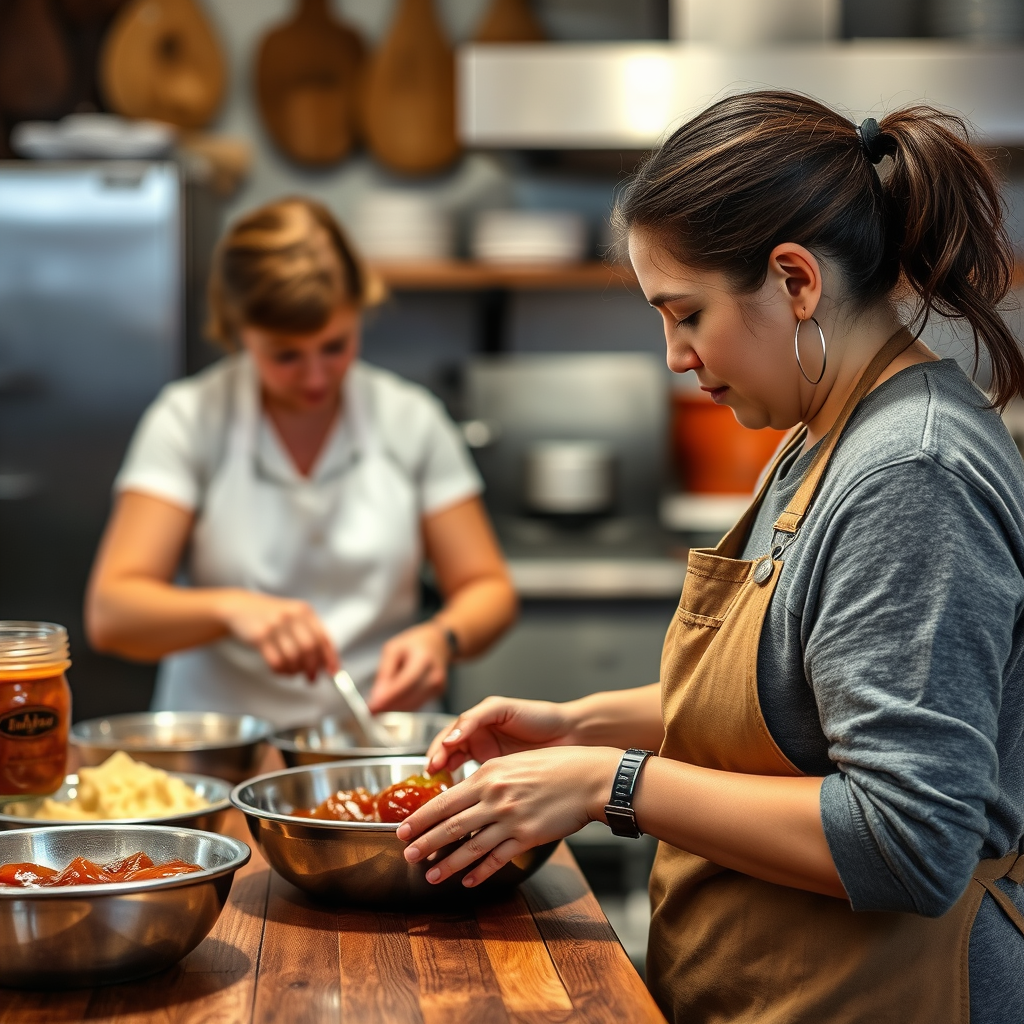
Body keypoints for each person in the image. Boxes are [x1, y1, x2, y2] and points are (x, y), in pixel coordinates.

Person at [397, 92, 1024, 1023]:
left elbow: (910, 838)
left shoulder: (910, 473)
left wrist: (610, 784)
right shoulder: (824, 434)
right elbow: (791, 708)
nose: (675, 356)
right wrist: (578, 727)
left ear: (796, 281)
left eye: (686, 313)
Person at [86, 197, 517, 726]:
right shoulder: (189, 418)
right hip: (225, 747)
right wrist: (229, 609)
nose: (315, 378)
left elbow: (487, 588)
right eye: (285, 355)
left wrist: (442, 637)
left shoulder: (411, 419)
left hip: (374, 739)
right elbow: (113, 612)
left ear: (359, 311)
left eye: (335, 346)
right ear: (238, 331)